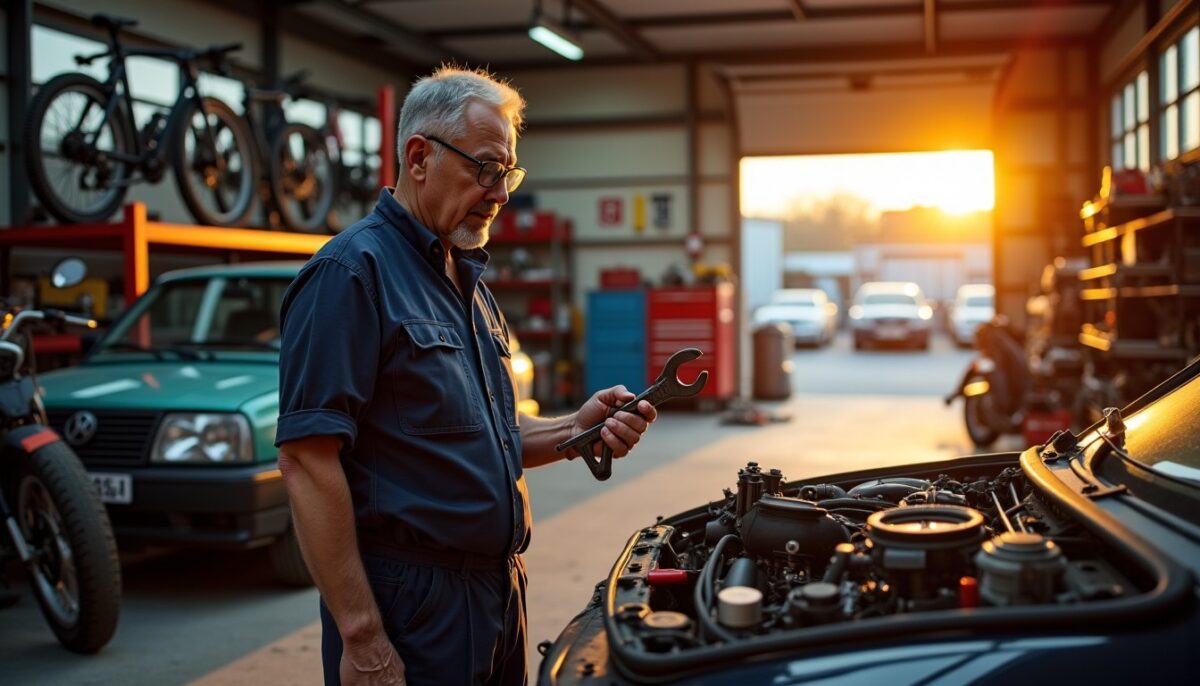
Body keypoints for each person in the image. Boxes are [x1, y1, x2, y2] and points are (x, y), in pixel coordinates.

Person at [274, 66, 657, 686]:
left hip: (497, 590)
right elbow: (307, 461)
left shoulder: (465, 280)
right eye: (485, 168)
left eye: (507, 172)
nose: (500, 192)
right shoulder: (352, 274)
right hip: (412, 604)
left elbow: (494, 434)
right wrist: (364, 639)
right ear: (419, 157)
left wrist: (576, 428)